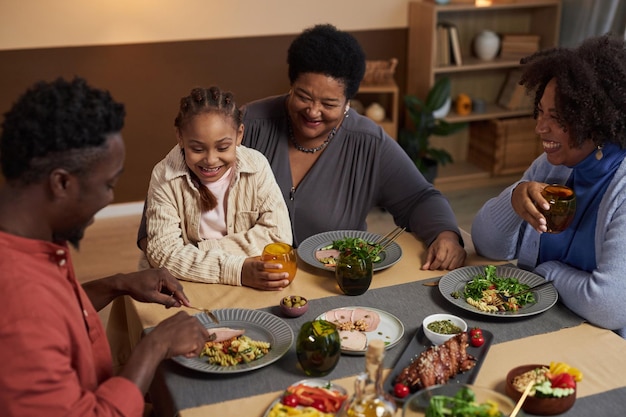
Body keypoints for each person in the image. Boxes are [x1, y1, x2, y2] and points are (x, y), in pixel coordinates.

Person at [0, 77, 213, 417]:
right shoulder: (19, 303)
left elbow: (56, 319)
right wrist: (154, 346)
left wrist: (116, 284)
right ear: (62, 183)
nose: (110, 198)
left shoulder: (31, 241)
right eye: (108, 185)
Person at [241, 23, 466, 270]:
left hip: (334, 281)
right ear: (291, 86)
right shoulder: (250, 124)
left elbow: (420, 198)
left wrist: (446, 235)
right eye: (303, 97)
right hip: (250, 273)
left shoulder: (369, 143)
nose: (313, 111)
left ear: (348, 102)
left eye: (329, 103)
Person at [471, 34, 626, 337]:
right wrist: (514, 199)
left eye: (556, 118)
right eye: (541, 111)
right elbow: (486, 245)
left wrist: (544, 274)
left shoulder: (621, 189)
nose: (540, 127)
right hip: (545, 323)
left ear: (596, 122)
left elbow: (608, 306)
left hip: (605, 350)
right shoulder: (551, 165)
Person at [142, 86, 292, 290]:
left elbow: (279, 236)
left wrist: (196, 250)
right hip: (187, 284)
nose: (211, 160)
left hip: (243, 280)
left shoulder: (257, 165)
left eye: (223, 148)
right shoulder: (164, 175)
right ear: (179, 137)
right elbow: (163, 253)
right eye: (197, 149)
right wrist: (237, 270)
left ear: (239, 135)